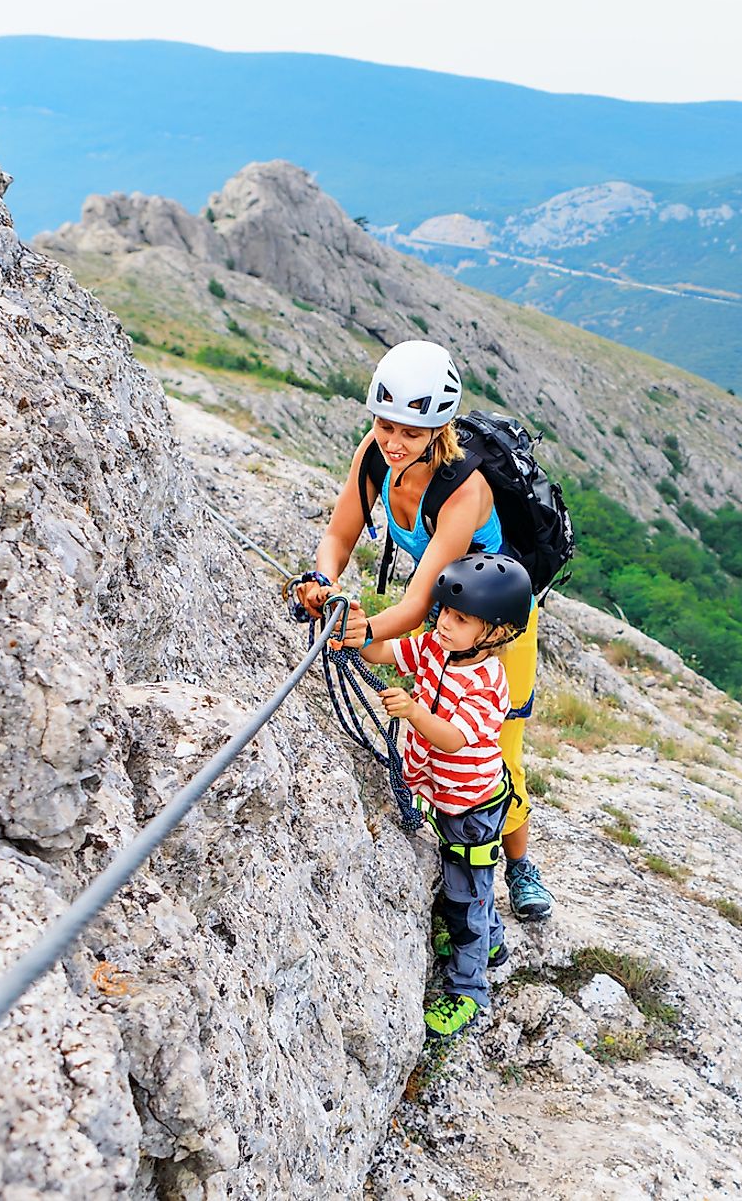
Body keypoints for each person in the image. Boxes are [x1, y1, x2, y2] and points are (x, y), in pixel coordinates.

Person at [294, 341, 555, 921]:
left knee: (493, 749)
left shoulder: (466, 489)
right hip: (448, 613)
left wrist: (354, 630)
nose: (393, 442)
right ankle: (458, 846)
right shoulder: (374, 456)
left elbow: (414, 605)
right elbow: (339, 536)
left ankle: (518, 866)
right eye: (386, 425)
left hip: (498, 630)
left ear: (438, 430)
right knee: (430, 731)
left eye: (410, 433)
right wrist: (322, 580)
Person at [344, 552, 532, 1039]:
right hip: (446, 793)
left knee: (465, 894)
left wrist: (411, 711)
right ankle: (492, 942)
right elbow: (384, 653)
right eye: (445, 612)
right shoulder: (433, 646)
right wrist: (357, 631)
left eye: (461, 618)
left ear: (496, 632)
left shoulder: (490, 684)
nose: (445, 623)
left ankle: (468, 991)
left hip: (472, 804)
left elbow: (453, 737)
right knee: (475, 880)